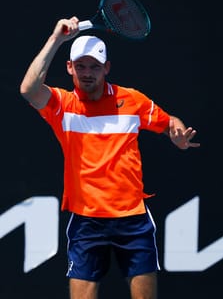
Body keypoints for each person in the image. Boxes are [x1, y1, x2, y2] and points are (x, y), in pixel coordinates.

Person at [20, 16, 200, 299]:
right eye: (80, 66)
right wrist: (56, 38)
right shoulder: (61, 105)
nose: (87, 72)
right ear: (69, 68)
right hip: (87, 221)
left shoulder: (132, 100)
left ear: (106, 68)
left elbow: (168, 123)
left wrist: (175, 131)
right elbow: (28, 89)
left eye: (94, 66)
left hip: (133, 220)